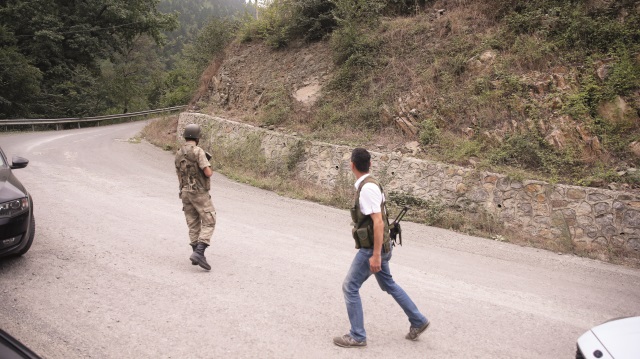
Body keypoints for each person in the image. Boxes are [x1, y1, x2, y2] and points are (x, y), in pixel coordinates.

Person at [333, 147, 430, 348]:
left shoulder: (367, 189)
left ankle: (357, 336)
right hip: (383, 246)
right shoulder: (372, 183)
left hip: (373, 250)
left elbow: (377, 222)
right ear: (369, 164)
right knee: (388, 284)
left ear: (352, 165)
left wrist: (375, 255)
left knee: (350, 287)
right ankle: (418, 320)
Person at [175, 123, 215, 271]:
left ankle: (195, 254)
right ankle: (199, 252)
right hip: (199, 192)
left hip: (184, 191)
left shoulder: (179, 153)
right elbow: (208, 172)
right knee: (209, 220)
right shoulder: (198, 151)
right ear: (197, 138)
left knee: (193, 223)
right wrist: (209, 166)